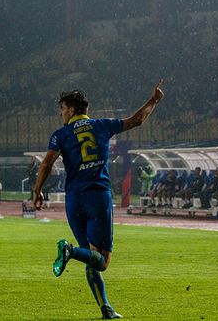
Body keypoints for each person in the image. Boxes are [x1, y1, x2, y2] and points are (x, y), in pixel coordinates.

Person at [33, 80, 165, 319]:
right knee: (101, 261)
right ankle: (69, 251)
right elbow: (136, 120)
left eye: (62, 108)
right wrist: (154, 100)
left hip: (73, 200)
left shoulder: (60, 135)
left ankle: (106, 308)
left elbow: (46, 163)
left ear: (72, 110)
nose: (61, 113)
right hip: (97, 196)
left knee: (91, 256)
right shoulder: (102, 125)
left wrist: (37, 191)